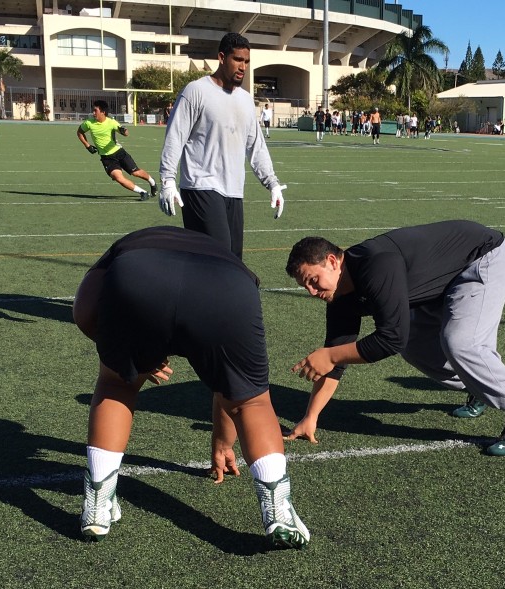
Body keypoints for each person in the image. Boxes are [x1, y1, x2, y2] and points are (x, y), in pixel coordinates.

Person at [72, 225, 310, 548]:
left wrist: (125, 356)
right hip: (228, 289)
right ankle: (278, 510)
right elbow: (231, 389)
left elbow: (83, 310)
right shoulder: (226, 259)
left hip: (139, 279)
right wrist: (223, 439)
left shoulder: (124, 249)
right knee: (252, 403)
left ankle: (97, 505)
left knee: (117, 386)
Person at [284, 220, 505, 457]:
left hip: (481, 257)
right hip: (437, 280)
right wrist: (311, 416)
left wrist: (330, 355)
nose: (311, 291)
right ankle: (479, 387)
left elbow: (389, 339)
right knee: (413, 346)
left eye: (313, 280)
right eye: (304, 286)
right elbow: (336, 359)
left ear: (332, 261)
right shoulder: (338, 296)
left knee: (460, 343)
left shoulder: (375, 265)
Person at [159, 33, 286, 260]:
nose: (243, 67)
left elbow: (256, 146)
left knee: (233, 260)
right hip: (201, 187)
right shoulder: (195, 91)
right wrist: (167, 180)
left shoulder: (246, 100)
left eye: (246, 61)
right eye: (237, 59)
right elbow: (175, 136)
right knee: (218, 257)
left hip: (234, 192)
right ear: (221, 57)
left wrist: (272, 184)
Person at [77, 100, 158, 201]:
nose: (93, 113)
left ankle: (152, 182)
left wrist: (124, 131)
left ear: (103, 112)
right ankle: (143, 192)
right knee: (118, 177)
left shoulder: (111, 122)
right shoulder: (89, 123)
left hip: (119, 153)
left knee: (135, 173)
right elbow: (79, 132)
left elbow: (124, 131)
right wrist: (87, 145)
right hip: (107, 158)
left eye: (95, 110)